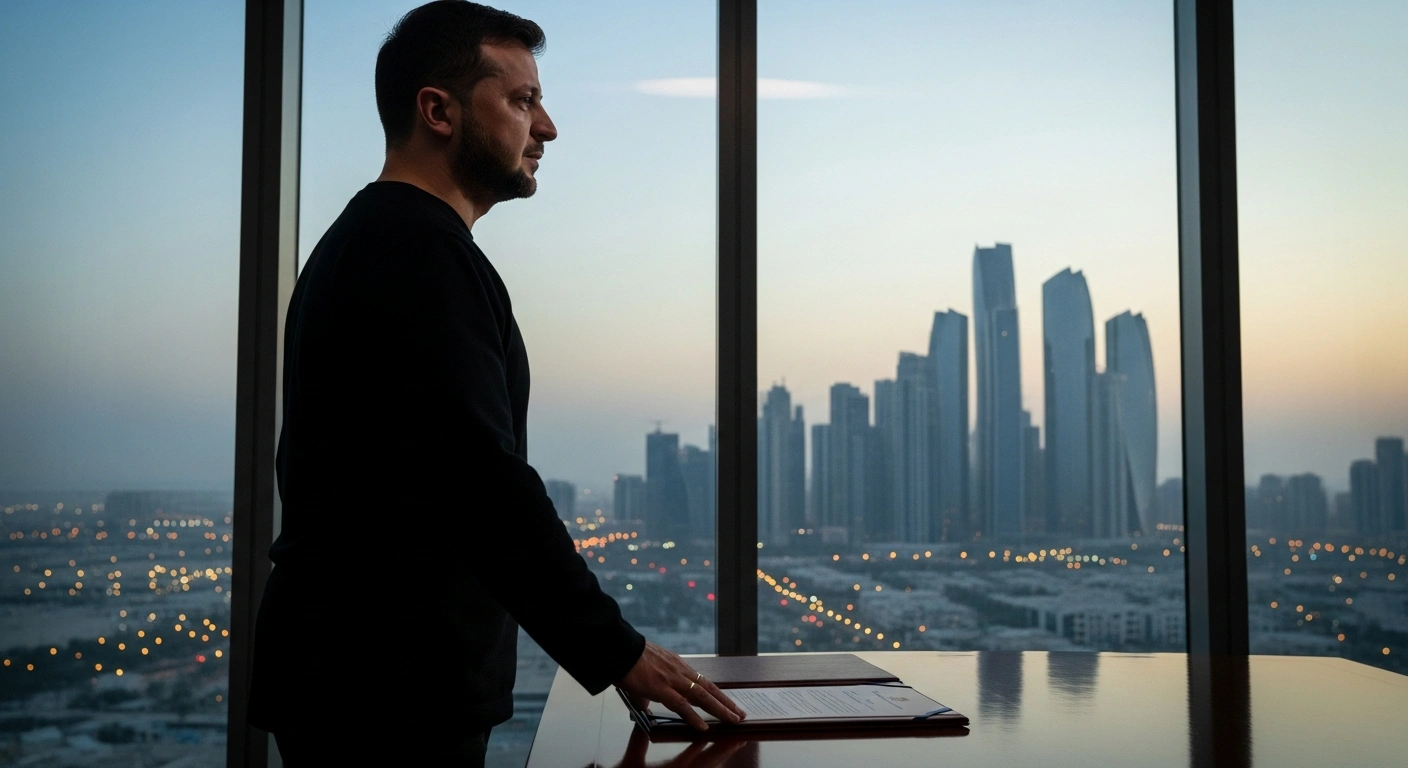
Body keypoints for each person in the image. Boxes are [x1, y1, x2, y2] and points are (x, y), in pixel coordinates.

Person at [247, 2, 744, 763]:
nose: (546, 127)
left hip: (366, 677)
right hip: (386, 691)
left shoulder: (380, 242)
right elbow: (481, 480)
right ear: (438, 111)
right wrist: (617, 651)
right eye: (521, 100)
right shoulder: (415, 254)